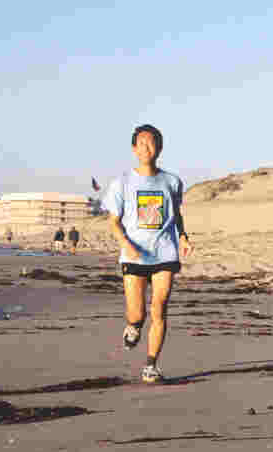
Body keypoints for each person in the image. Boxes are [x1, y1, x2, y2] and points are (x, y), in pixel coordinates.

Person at [101, 124, 194, 383]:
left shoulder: (172, 181)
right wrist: (126, 244)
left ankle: (151, 365)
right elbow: (113, 221)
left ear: (160, 147)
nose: (146, 148)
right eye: (141, 143)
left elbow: (176, 215)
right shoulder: (122, 183)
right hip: (134, 256)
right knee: (137, 314)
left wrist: (184, 236)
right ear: (133, 148)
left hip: (165, 253)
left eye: (151, 142)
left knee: (160, 308)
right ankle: (133, 327)